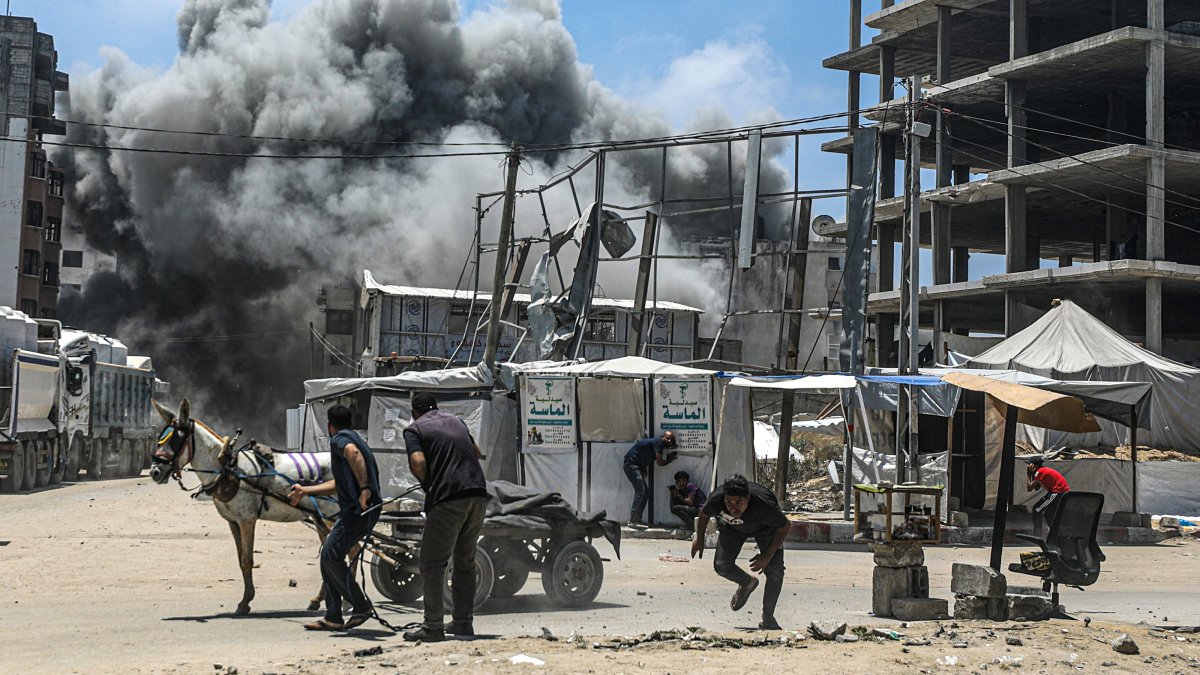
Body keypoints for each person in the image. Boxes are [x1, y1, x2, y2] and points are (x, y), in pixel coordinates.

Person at [402, 392, 489, 643]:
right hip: (478, 494)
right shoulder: (457, 421)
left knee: (432, 563)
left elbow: (418, 462)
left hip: (449, 498)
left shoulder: (414, 429)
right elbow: (476, 450)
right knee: (464, 562)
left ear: (413, 412)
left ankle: (432, 627)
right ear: (436, 407)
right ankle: (463, 623)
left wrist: (429, 484)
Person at [287, 405, 382, 632]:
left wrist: (365, 489)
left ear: (330, 426)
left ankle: (360, 605)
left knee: (330, 556)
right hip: (362, 509)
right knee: (329, 557)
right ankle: (333, 616)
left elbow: (353, 454)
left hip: (358, 511)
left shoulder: (340, 440)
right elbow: (338, 485)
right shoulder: (354, 437)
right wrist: (306, 491)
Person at [691, 474, 789, 631]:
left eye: (739, 502)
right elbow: (704, 513)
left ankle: (768, 617)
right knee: (721, 566)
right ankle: (747, 582)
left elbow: (784, 526)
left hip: (766, 528)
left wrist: (767, 556)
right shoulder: (717, 498)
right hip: (732, 528)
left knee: (775, 571)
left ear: (748, 498)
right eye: (729, 502)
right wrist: (700, 539)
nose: (733, 507)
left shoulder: (764, 506)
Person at [622, 431, 678, 527]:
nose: (669, 440)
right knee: (641, 491)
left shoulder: (657, 445)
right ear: (662, 437)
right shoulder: (659, 442)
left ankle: (637, 519)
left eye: (671, 439)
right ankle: (633, 520)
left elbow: (643, 454)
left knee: (645, 492)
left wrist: (643, 468)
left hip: (634, 466)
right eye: (667, 438)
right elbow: (659, 462)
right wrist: (669, 460)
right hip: (632, 465)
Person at [1026, 456, 1070, 534]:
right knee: (1048, 513)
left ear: (1035, 466)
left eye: (1030, 464)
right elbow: (1036, 488)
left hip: (1058, 492)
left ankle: (1037, 535)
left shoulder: (1040, 472)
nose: (1028, 466)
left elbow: (1029, 488)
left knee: (1037, 509)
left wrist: (1029, 474)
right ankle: (1055, 534)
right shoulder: (1040, 471)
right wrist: (1033, 474)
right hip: (1059, 492)